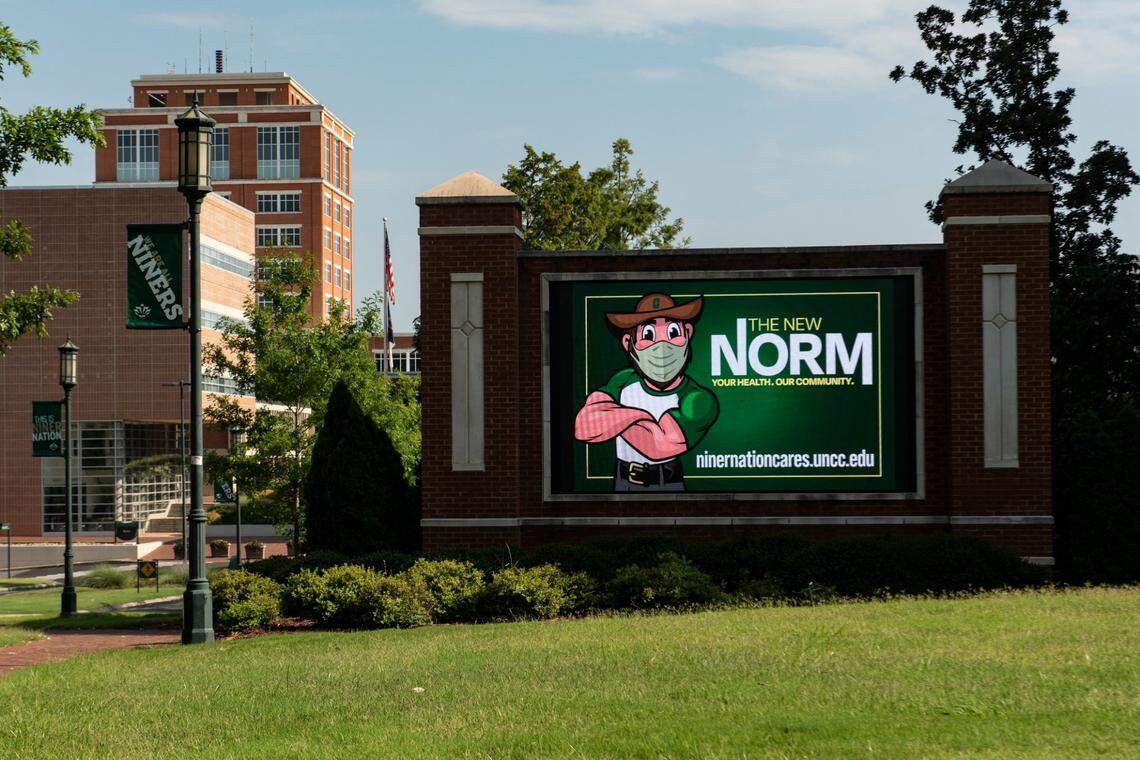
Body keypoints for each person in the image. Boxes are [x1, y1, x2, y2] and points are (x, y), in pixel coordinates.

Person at [574, 293, 718, 491]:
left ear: (688, 333)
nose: (662, 346)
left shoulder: (698, 398)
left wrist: (613, 416)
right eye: (649, 335)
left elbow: (658, 447)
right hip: (622, 481)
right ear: (628, 342)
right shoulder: (623, 379)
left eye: (673, 333)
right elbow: (584, 427)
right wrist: (641, 415)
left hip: (667, 483)